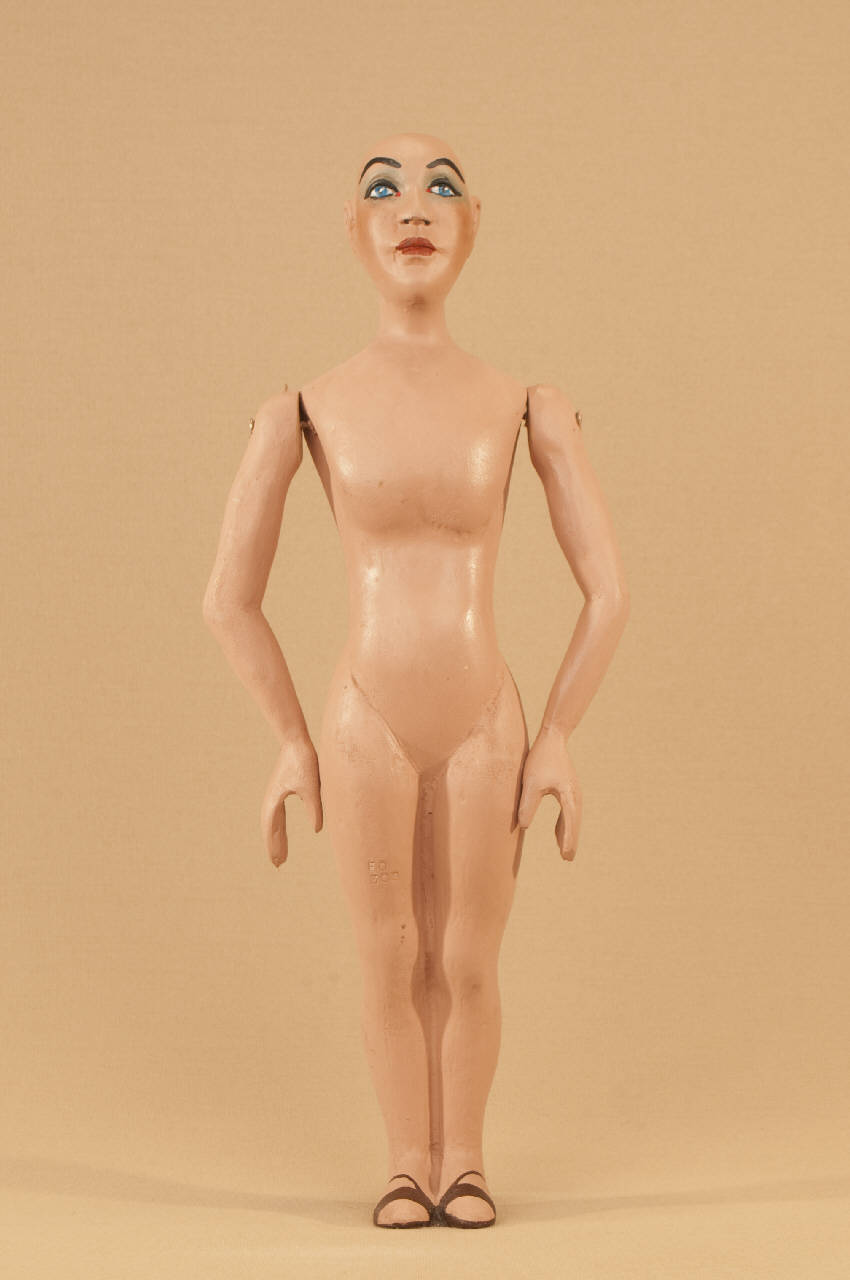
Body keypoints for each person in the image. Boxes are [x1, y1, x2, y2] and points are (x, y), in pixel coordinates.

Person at [202, 132, 630, 1228]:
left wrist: (559, 731)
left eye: (441, 187)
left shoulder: (523, 403)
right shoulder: (307, 407)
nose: (413, 208)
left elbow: (608, 590)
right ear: (353, 230)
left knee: (470, 958)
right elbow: (228, 597)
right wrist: (291, 738)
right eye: (383, 189)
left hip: (486, 714)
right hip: (367, 717)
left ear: (475, 222)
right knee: (387, 953)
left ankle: (464, 1159)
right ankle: (406, 1160)